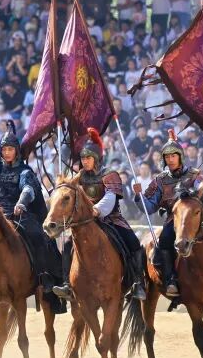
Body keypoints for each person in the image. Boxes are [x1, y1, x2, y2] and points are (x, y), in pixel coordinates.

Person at [0, 122, 66, 314]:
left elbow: (28, 189)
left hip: (19, 213)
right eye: (4, 149)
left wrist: (21, 202)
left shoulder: (24, 171)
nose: (7, 152)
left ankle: (44, 275)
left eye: (11, 149)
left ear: (16, 151)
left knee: (38, 235)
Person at [133, 131, 203, 298]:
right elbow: (150, 207)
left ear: (180, 156)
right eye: (167, 157)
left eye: (173, 156)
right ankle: (171, 279)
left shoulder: (193, 174)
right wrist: (138, 196)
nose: (170, 159)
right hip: (173, 221)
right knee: (164, 243)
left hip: (198, 219)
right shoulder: (160, 180)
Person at [53, 129, 147, 302]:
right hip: (84, 223)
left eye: (88, 158)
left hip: (111, 219)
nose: (85, 161)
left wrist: (96, 209)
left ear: (96, 158)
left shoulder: (110, 174)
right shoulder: (78, 178)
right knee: (67, 246)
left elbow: (111, 196)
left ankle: (137, 282)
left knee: (133, 243)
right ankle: (67, 284)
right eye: (83, 158)